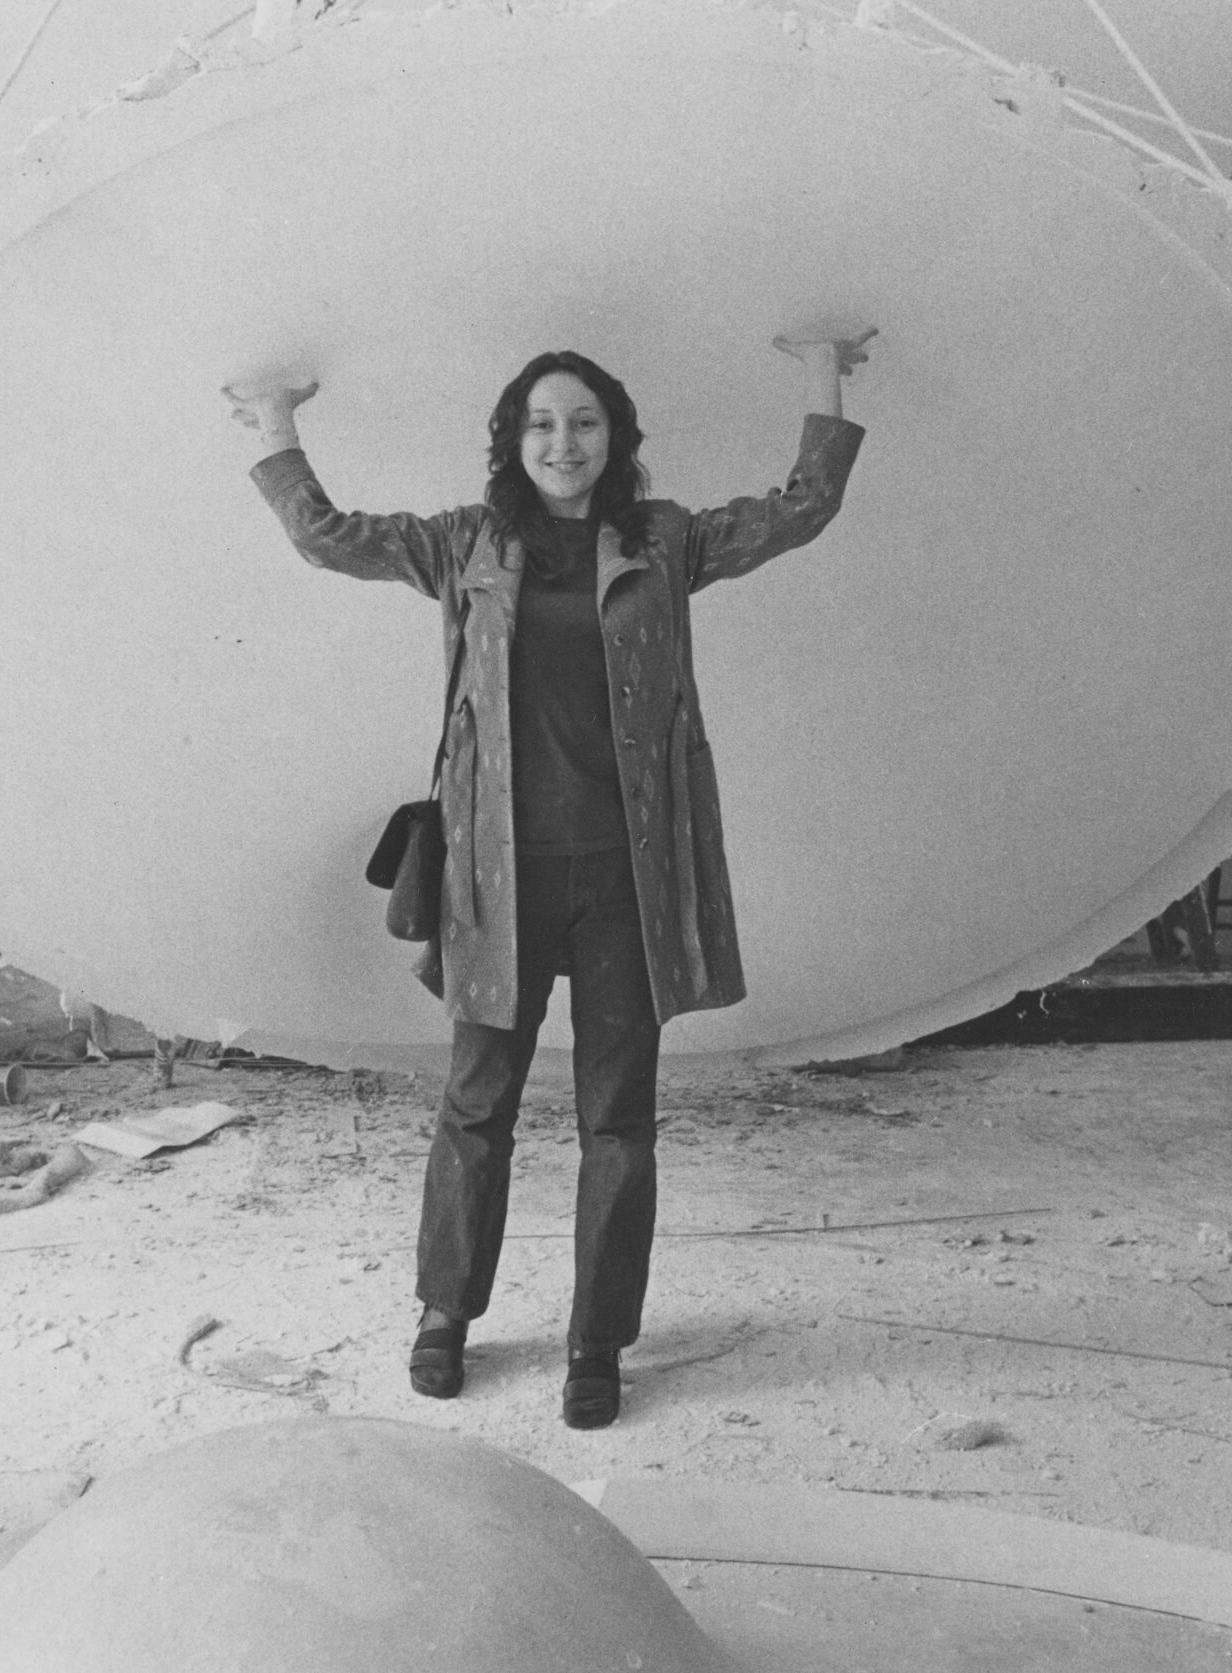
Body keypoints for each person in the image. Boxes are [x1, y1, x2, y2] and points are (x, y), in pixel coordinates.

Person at [227, 335, 873, 1428]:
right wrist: (275, 421)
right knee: (475, 1105)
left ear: (614, 437)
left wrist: (824, 374)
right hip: (499, 880)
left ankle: (597, 1342)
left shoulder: (662, 542)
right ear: (510, 441)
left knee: (617, 1119)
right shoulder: (465, 544)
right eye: (539, 424)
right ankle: (444, 1314)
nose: (561, 442)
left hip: (627, 878)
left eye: (581, 422)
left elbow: (800, 506)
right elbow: (327, 538)